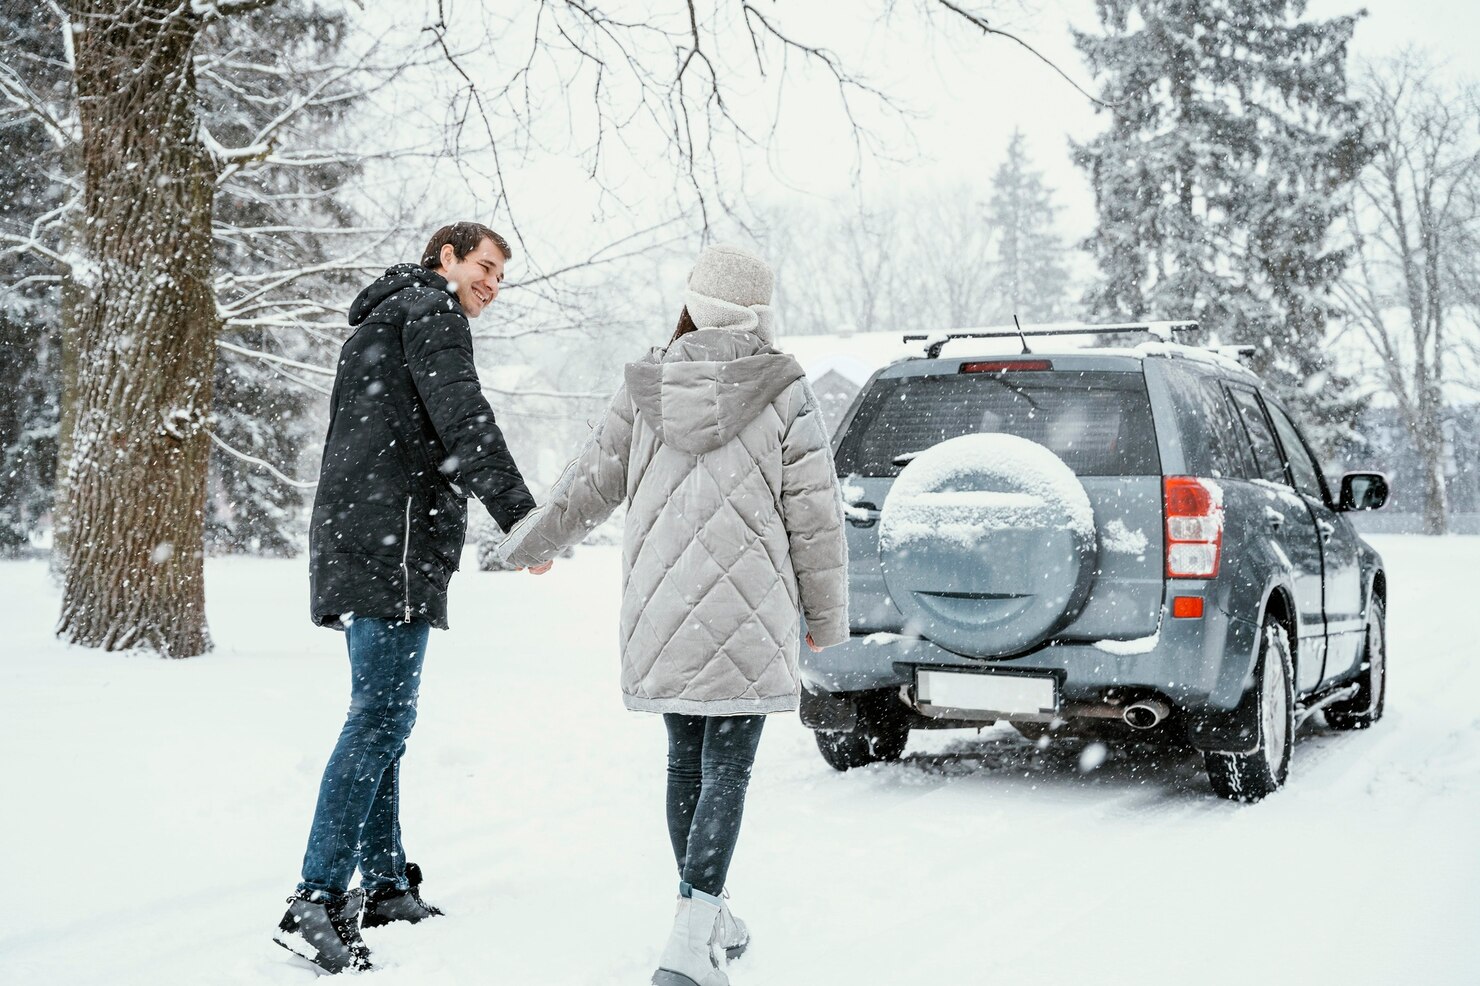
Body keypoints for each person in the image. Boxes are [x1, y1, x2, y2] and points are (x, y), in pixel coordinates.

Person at [496, 244, 849, 986]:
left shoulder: (646, 384)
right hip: (751, 605)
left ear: (693, 303)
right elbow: (815, 517)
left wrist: (532, 542)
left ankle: (707, 913)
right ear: (758, 313)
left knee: (687, 757)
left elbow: (588, 483)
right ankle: (691, 946)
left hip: (662, 603)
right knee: (727, 764)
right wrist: (826, 615)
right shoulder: (783, 387)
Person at [273, 222, 550, 974]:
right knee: (381, 716)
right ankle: (316, 897)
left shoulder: (383, 318)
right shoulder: (433, 312)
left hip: (362, 537)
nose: (491, 283)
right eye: (484, 266)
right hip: (391, 540)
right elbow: (464, 423)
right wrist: (524, 520)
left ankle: (386, 884)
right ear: (447, 259)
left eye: (501, 275)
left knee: (382, 713)